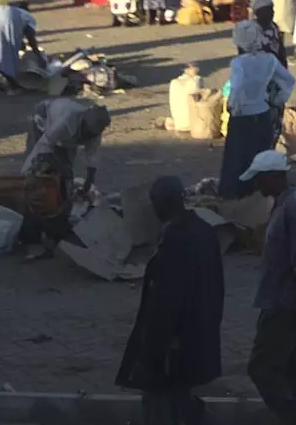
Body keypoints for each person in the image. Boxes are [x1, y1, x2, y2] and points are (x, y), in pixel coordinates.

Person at [116, 175, 225, 425]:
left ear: (160, 204)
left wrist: (154, 350)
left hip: (174, 346)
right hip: (198, 336)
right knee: (181, 400)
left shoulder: (174, 242)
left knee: (162, 404)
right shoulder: (204, 232)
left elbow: (164, 305)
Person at [242, 150, 296, 425]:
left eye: (260, 179)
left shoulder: (292, 208)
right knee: (289, 373)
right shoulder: (284, 204)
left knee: (261, 369)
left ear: (275, 177)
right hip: (286, 302)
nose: (257, 185)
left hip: (283, 305)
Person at [219, 21, 296, 198]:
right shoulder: (269, 60)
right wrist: (277, 100)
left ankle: (233, 196)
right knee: (261, 157)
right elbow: (288, 81)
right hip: (262, 114)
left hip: (242, 117)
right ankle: (262, 193)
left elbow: (237, 87)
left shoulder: (239, 63)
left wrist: (233, 107)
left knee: (237, 158)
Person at [23, 96, 111, 205]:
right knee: (37, 163)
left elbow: (91, 155)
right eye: (86, 132)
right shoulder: (66, 120)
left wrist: (90, 179)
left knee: (66, 172)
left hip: (65, 137)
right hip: (44, 121)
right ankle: (25, 192)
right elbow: (44, 144)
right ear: (82, 122)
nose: (88, 137)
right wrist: (56, 164)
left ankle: (61, 201)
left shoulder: (94, 133)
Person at [0, 1, 40, 89]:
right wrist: (38, 55)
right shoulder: (28, 16)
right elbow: (30, 37)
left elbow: (19, 33)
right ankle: (12, 84)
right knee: (7, 56)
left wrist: (21, 44)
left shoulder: (12, 11)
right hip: (6, 20)